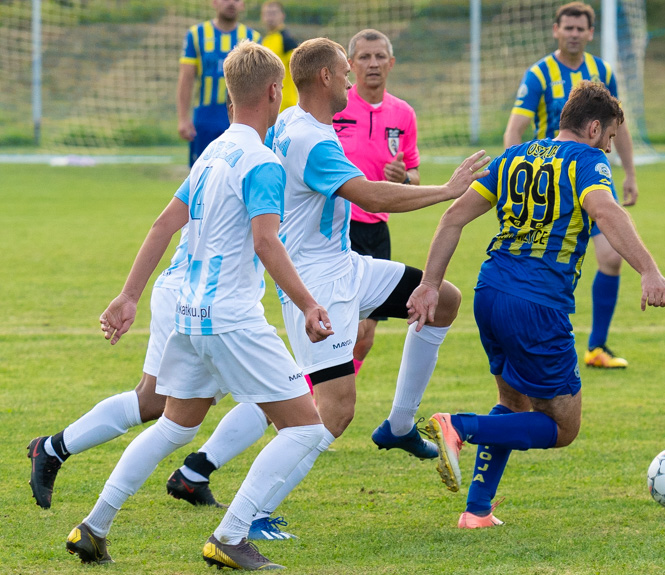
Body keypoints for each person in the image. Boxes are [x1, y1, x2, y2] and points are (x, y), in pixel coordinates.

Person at [163, 37, 490, 539]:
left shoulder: (300, 121)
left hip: (346, 266)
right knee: (332, 412)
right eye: (344, 72)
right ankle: (251, 517)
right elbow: (369, 194)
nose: (351, 80)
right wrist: (446, 191)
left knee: (442, 298)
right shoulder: (310, 139)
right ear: (325, 78)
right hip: (318, 284)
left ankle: (400, 426)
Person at [65, 41, 332, 570]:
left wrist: (128, 296)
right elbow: (266, 243)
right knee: (306, 427)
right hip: (231, 319)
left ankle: (92, 527)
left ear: (231, 94)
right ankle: (231, 536)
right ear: (276, 92)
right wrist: (306, 303)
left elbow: (164, 224)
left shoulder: (212, 152)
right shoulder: (262, 161)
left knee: (175, 426)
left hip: (187, 316)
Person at [411, 81, 665, 528]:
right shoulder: (587, 161)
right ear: (593, 128)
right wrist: (649, 269)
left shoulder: (515, 156)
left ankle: (477, 510)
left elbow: (452, 216)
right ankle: (458, 426)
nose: (609, 149)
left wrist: (430, 283)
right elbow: (607, 212)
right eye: (610, 139)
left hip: (490, 292)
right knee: (562, 428)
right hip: (537, 304)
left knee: (512, 402)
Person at [503, 1, 637, 369]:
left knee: (611, 257)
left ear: (590, 33)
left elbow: (618, 126)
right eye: (568, 28)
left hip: (591, 179)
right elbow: (514, 130)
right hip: (551, 186)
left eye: (581, 29)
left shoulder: (601, 71)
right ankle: (540, 331)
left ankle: (596, 347)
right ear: (556, 30)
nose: (574, 34)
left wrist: (630, 172)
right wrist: (515, 177)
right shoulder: (539, 74)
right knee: (547, 261)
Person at [334, 29, 421, 375]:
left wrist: (402, 178)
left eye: (380, 57)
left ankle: (319, 401)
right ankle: (312, 402)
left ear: (391, 63)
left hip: (377, 230)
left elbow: (415, 176)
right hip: (336, 228)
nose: (373, 64)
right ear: (351, 64)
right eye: (365, 57)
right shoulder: (335, 106)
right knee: (341, 328)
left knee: (365, 336)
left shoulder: (403, 114)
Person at [178, 0, 261, 167]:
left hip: (241, 117)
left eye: (236, 0)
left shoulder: (253, 37)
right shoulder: (196, 34)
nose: (231, 3)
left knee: (238, 172)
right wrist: (183, 118)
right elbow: (186, 78)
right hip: (205, 117)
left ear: (243, 4)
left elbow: (259, 82)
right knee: (201, 174)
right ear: (214, 2)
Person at [260, 1, 300, 113]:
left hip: (286, 104)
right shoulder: (265, 40)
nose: (270, 17)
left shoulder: (287, 40)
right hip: (270, 104)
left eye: (273, 13)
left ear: (282, 16)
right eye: (267, 13)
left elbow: (298, 68)